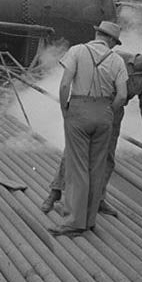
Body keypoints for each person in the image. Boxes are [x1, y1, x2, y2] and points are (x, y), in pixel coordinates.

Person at [42, 40, 142, 219]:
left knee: (107, 159)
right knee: (75, 151)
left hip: (114, 116)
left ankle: (98, 199)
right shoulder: (117, 59)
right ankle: (55, 192)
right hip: (93, 106)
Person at [50, 20, 128, 235]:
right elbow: (121, 95)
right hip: (104, 113)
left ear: (98, 34)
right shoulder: (118, 61)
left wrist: (66, 110)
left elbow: (65, 83)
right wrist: (107, 111)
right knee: (96, 168)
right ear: (111, 40)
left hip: (79, 109)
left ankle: (73, 222)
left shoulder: (77, 51)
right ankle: (89, 220)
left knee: (77, 169)